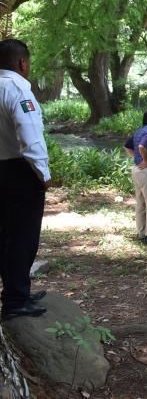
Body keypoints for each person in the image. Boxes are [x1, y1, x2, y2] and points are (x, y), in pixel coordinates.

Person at [0, 39, 50, 320]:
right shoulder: (17, 89)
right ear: (21, 63)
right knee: (23, 237)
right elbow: (30, 135)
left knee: (5, 234)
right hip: (21, 171)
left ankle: (14, 291)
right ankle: (16, 300)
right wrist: (42, 174)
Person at [125, 111, 147, 244]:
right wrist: (145, 160)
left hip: (136, 170)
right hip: (145, 171)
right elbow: (141, 146)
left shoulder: (138, 131)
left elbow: (127, 146)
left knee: (140, 203)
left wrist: (135, 158)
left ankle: (141, 233)